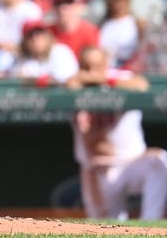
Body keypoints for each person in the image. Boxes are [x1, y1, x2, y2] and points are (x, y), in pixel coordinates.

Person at [66, 46, 167, 220]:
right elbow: (67, 84)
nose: (91, 71)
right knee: (106, 228)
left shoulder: (119, 79)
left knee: (159, 161)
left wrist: (105, 79)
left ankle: (151, 223)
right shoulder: (74, 84)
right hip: (96, 170)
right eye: (86, 66)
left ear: (105, 64)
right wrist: (85, 79)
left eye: (96, 66)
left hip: (131, 163)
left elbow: (141, 85)